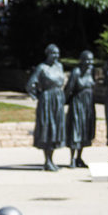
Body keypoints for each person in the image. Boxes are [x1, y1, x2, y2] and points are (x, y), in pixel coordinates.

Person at [25, 43, 66, 171]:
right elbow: (30, 84)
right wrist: (38, 96)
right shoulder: (41, 68)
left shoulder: (60, 66)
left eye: (57, 53)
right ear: (47, 54)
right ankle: (47, 160)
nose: (56, 55)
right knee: (48, 128)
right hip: (47, 100)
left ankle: (52, 159)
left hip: (58, 99)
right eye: (53, 53)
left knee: (56, 128)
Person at [64, 50, 96, 168]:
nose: (89, 62)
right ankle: (72, 158)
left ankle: (79, 158)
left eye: (91, 60)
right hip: (78, 103)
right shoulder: (76, 71)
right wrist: (63, 101)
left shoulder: (91, 70)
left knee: (85, 129)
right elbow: (69, 88)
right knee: (75, 129)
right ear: (81, 60)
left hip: (88, 104)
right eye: (86, 60)